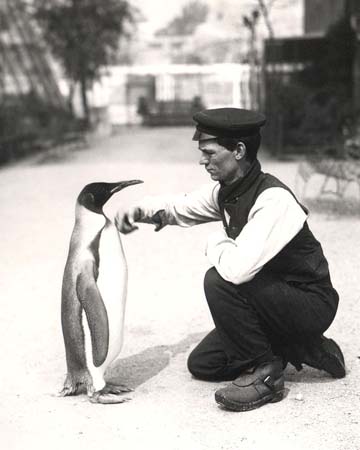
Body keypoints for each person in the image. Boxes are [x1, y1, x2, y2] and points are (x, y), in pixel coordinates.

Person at [115, 107, 345, 412]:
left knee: (219, 279)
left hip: (309, 304)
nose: (202, 161)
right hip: (275, 299)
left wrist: (214, 242)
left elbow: (237, 270)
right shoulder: (229, 190)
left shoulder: (273, 199)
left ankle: (266, 376)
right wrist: (142, 210)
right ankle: (300, 345)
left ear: (238, 151)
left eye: (209, 153)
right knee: (204, 364)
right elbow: (183, 207)